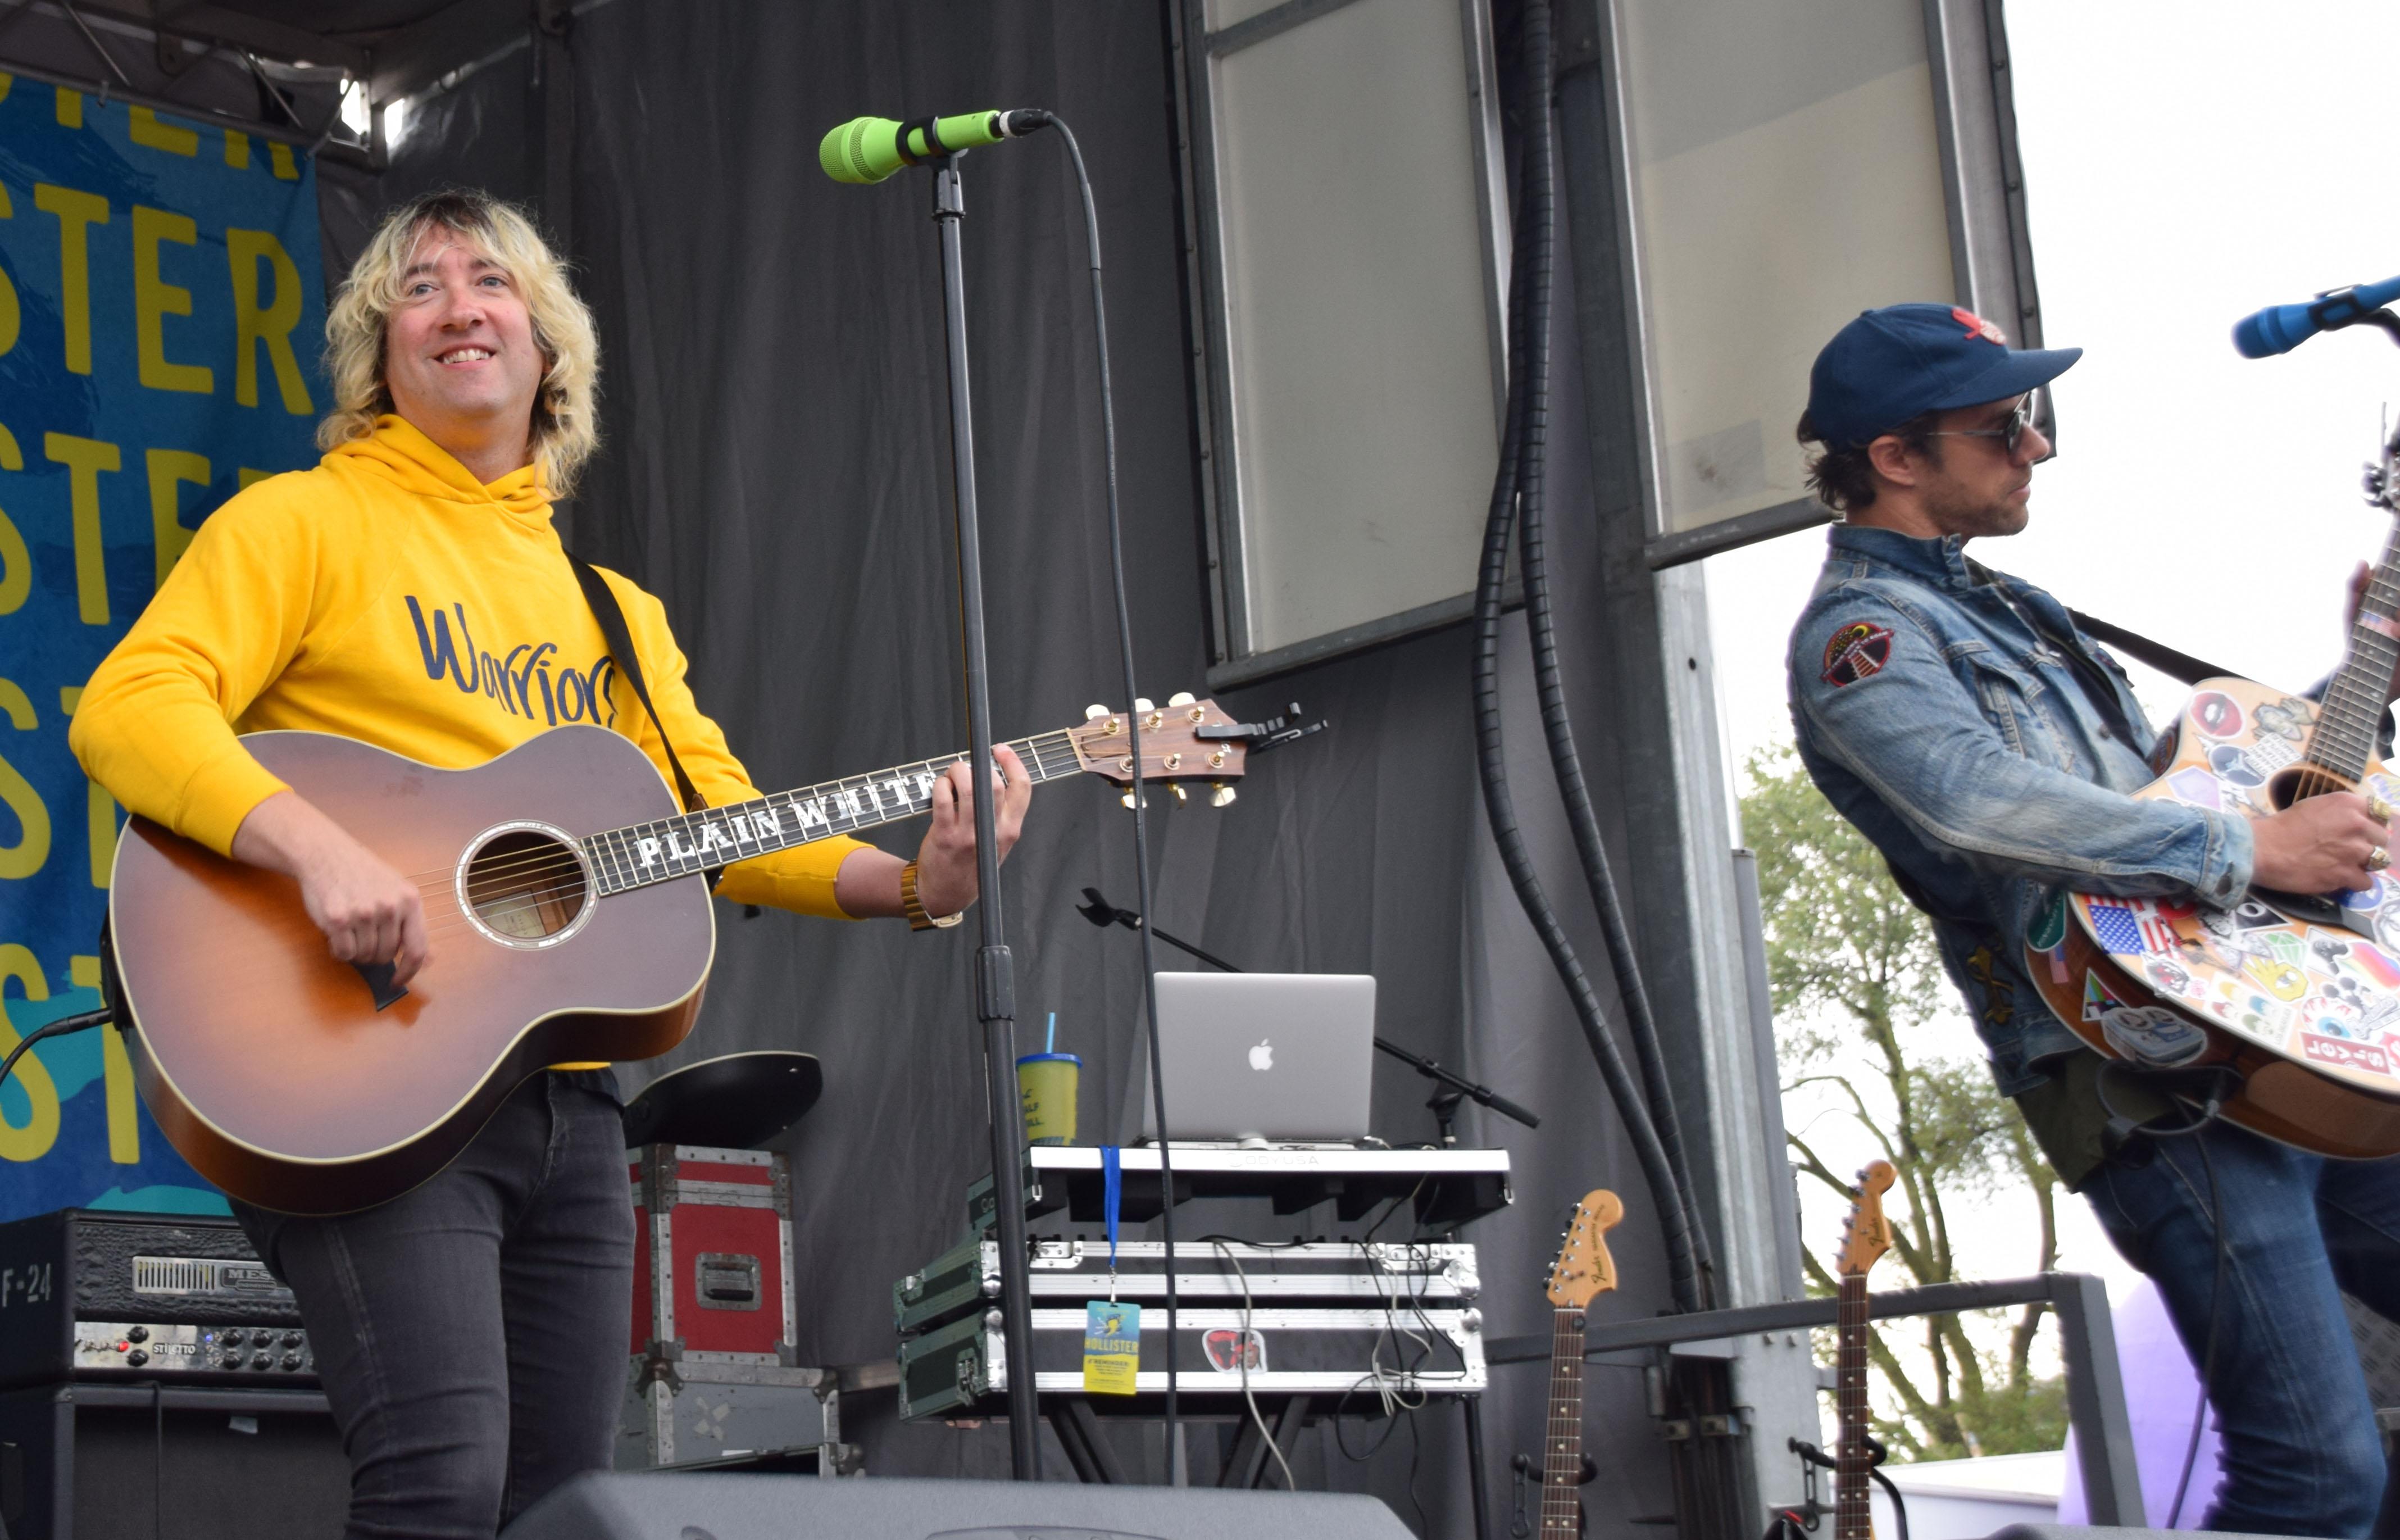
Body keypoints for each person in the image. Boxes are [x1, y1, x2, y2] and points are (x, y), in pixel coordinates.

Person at [69, 189, 1033, 1538]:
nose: (458, 307)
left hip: (567, 1103)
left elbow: (726, 822)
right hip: (362, 1066)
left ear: (549, 345)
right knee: (440, 1482)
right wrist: (317, 850)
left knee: (564, 1508)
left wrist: (924, 885)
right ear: (379, 357)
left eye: (492, 282)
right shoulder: (301, 524)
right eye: (419, 289)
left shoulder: (612, 613)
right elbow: (131, 705)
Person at [1785, 303, 2400, 1534]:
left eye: (2031, 418)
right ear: (1894, 457)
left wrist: (2365, 670)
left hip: (2286, 1031)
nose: (2038, 446)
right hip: (2151, 1079)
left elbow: (2180, 800)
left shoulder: (2018, 608)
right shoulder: (1864, 641)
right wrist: (2254, 848)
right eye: (2003, 426)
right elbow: (1979, 801)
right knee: (2317, 1475)